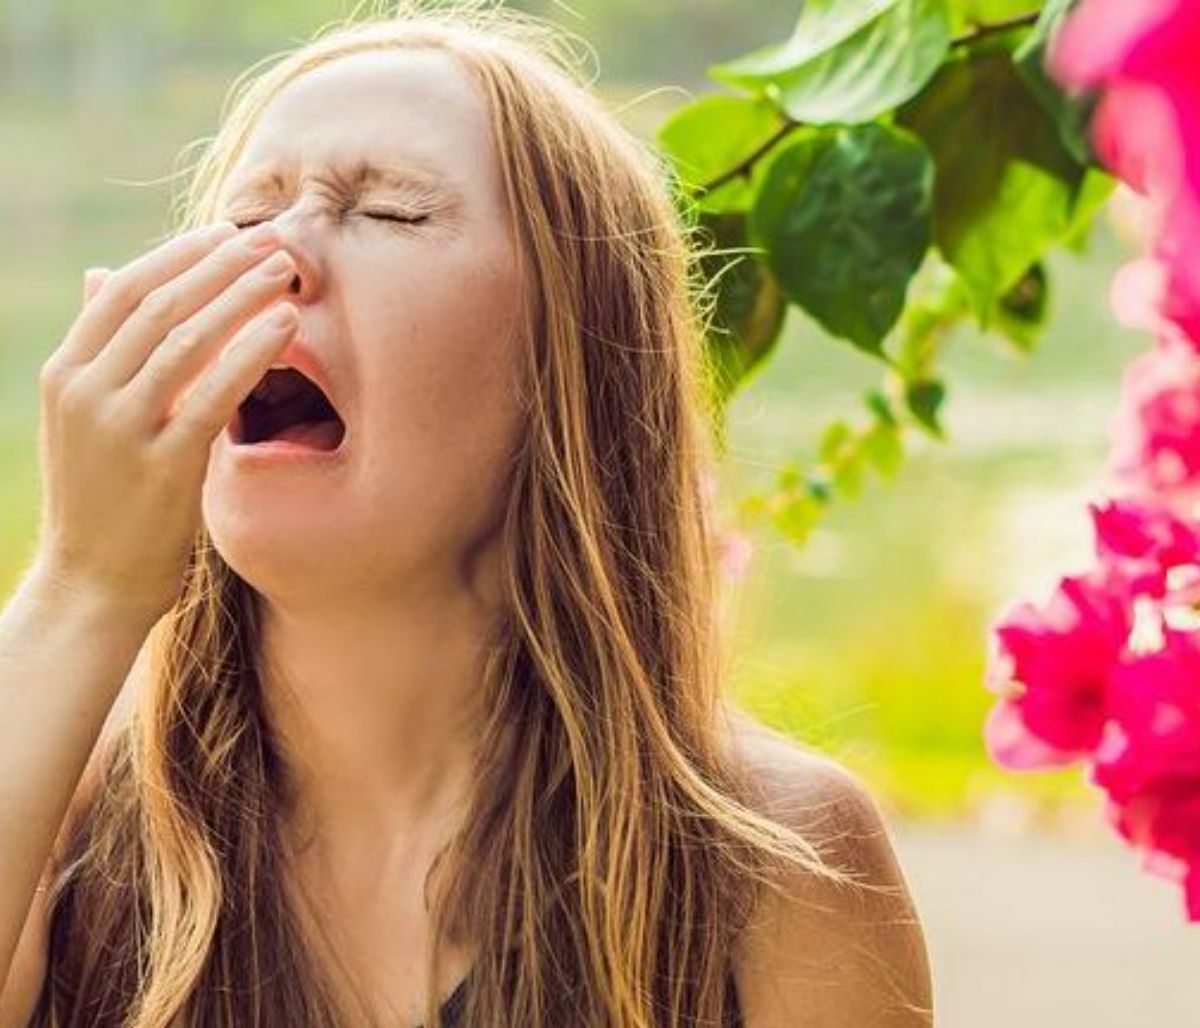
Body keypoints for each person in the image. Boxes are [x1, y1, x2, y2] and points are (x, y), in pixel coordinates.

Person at [0, 2, 932, 1025]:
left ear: (569, 365)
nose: (273, 261)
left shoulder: (773, 863)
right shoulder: (61, 810)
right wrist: (84, 587)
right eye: (243, 220)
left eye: (392, 211)